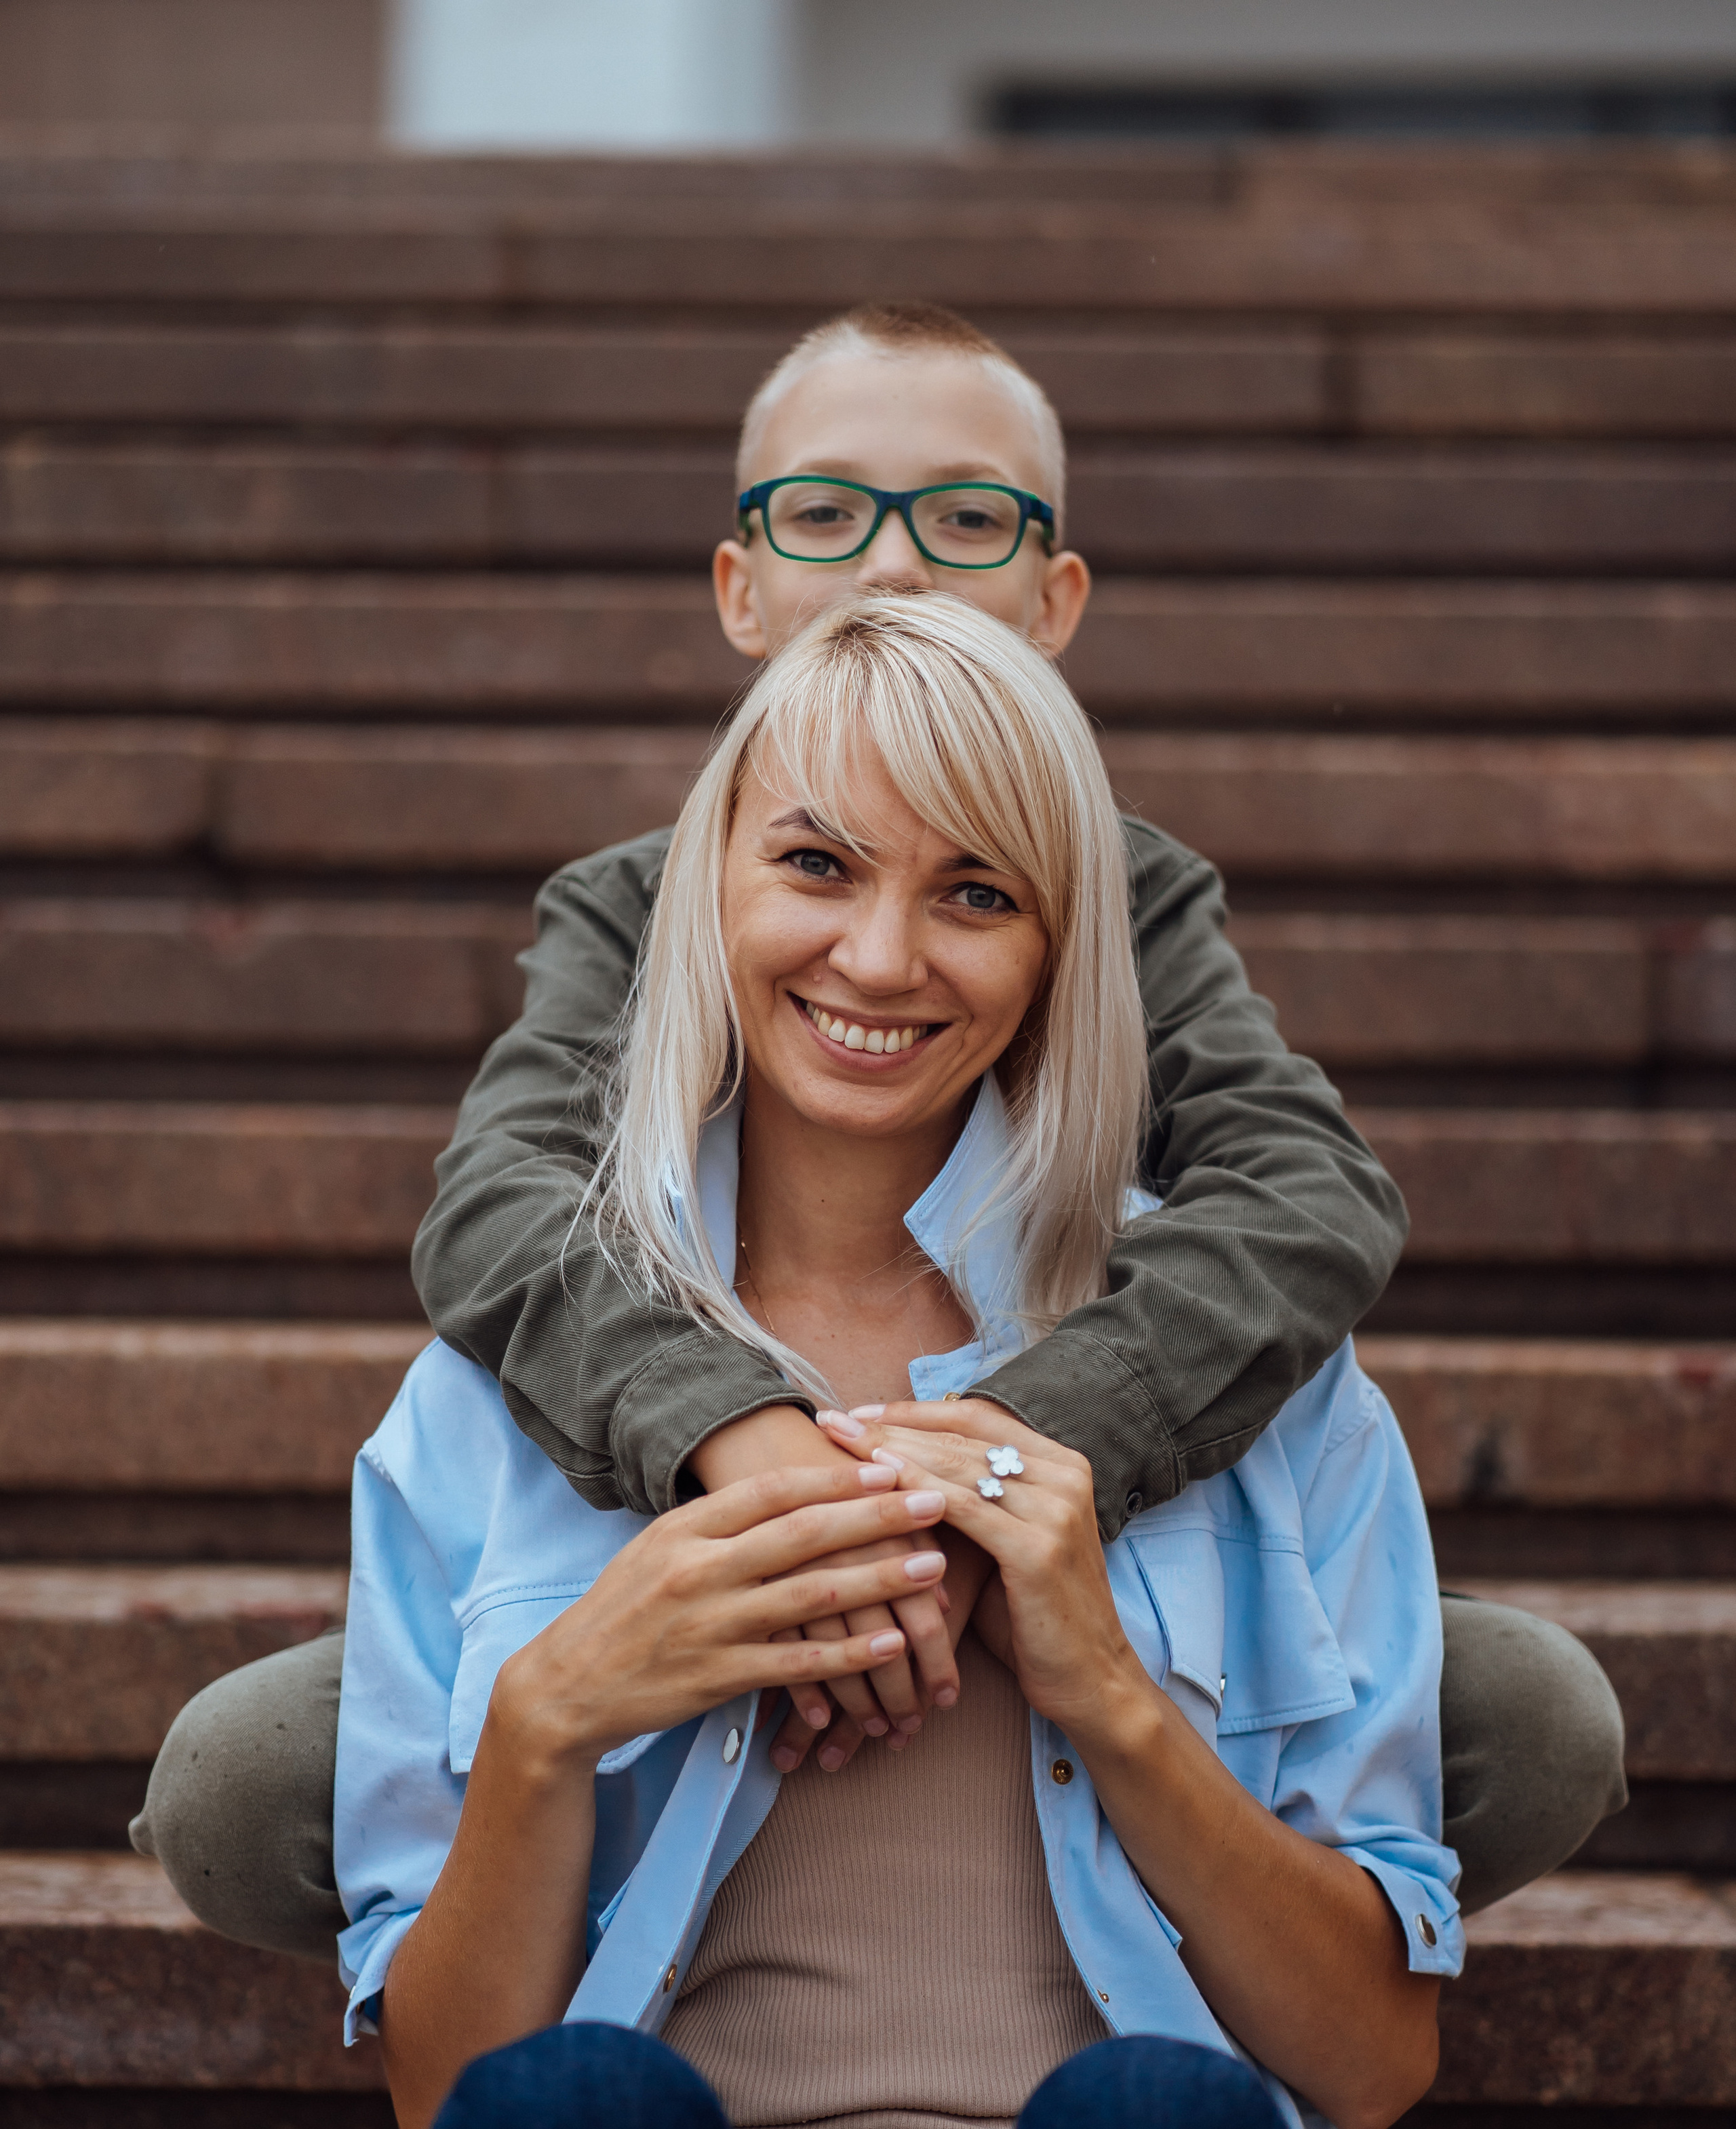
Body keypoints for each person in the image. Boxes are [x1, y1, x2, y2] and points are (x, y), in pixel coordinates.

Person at [132, 298, 1623, 1961]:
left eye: (967, 517)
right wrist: (747, 1447)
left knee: (1527, 1714)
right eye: (825, 514)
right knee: (250, 1774)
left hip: (1072, 1497)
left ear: (1054, 602)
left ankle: (1123, 1960)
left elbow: (1302, 1193)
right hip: (648, 1520)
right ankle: (667, 1952)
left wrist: (1007, 1462)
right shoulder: (639, 902)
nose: (894, 568)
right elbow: (502, 1206)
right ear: (740, 588)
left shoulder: (1122, 894)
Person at [338, 591, 1461, 2129]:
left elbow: (1371, 2066)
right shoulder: (494, 1399)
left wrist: (1104, 1688)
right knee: (556, 2124)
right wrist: (555, 1713)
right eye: (818, 867)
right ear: (707, 888)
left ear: (1061, 952)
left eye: (974, 896)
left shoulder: (1261, 1391)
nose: (878, 957)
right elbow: (446, 2118)